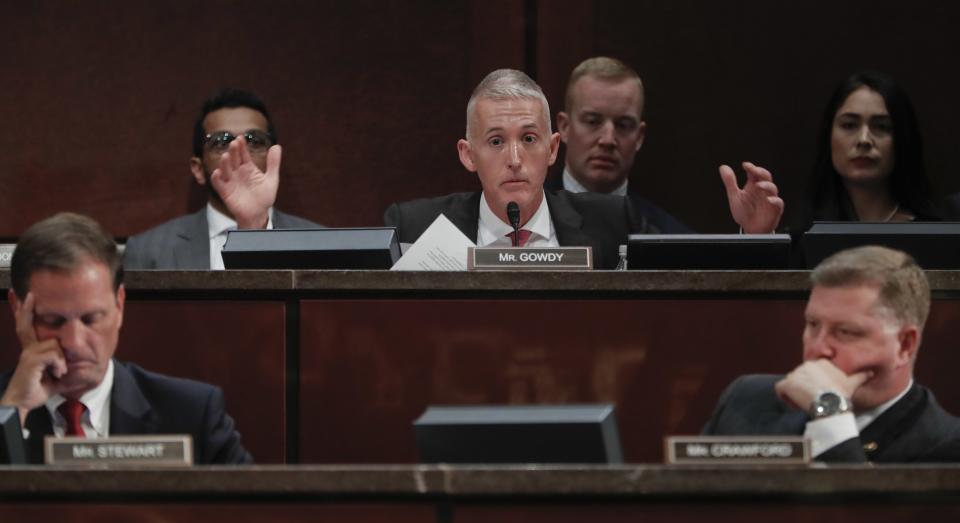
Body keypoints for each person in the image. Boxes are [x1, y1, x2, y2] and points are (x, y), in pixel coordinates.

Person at [384, 69, 782, 269]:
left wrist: (755, 236)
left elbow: (694, 283)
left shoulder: (610, 221)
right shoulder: (416, 227)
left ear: (553, 147)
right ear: (467, 154)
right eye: (495, 141)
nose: (515, 159)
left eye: (528, 138)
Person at [1, 213, 252, 464]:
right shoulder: (7, 405)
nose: (74, 343)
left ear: (119, 305)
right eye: (53, 321)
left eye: (91, 319)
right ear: (18, 310)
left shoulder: (192, 413)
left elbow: (254, 503)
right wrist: (13, 410)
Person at [703, 245, 960, 462]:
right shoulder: (747, 400)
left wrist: (830, 413)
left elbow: (867, 522)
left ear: (905, 345)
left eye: (846, 332)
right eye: (813, 325)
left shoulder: (947, 445)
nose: (818, 348)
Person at [548, 56, 783, 234]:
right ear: (564, 127)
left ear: (639, 137)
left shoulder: (670, 235)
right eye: (593, 121)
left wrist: (756, 238)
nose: (608, 139)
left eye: (623, 125)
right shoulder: (520, 222)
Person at [124, 89, 320, 270]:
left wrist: (254, 226)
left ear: (272, 158)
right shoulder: (147, 253)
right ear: (198, 169)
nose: (240, 151)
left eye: (255, 140)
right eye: (221, 141)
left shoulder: (318, 246)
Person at [802, 71, 946, 226]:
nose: (864, 140)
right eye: (849, 125)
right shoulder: (803, 237)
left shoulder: (934, 235)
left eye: (882, 127)